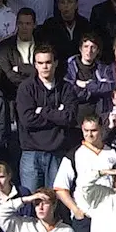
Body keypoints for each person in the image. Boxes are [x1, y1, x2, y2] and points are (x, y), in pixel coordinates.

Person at [16, 44, 82, 191]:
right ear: (35, 65)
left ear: (55, 63)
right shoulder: (26, 88)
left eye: (48, 62)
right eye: (40, 63)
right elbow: (27, 119)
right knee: (30, 200)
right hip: (31, 153)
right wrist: (57, 114)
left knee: (56, 201)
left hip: (57, 152)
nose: (45, 67)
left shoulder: (66, 88)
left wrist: (43, 111)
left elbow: (70, 117)